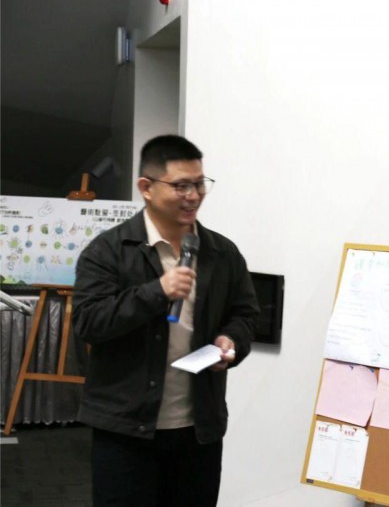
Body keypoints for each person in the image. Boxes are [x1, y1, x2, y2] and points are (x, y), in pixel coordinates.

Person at [72, 135, 259, 506]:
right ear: (146, 187)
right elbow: (89, 322)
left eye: (200, 184)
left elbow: (245, 313)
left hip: (198, 431)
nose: (193, 196)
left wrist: (231, 341)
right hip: (126, 432)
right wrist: (156, 292)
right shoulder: (108, 251)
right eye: (181, 186)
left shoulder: (222, 252)